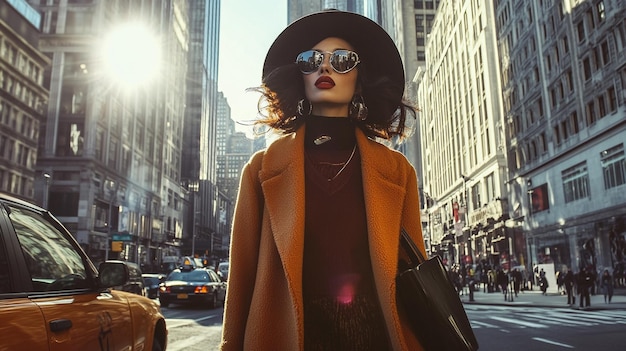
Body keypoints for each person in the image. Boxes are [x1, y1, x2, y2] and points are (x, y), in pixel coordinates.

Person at [220, 10, 423, 351]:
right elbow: (241, 282)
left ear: (360, 79)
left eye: (342, 60)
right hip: (285, 337)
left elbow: (413, 274)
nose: (324, 67)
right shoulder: (260, 170)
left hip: (376, 338)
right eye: (311, 60)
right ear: (299, 75)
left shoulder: (397, 171)